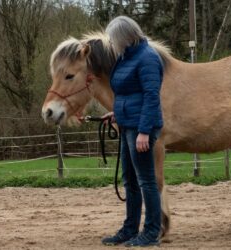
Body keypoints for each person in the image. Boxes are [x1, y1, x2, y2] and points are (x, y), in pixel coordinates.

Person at [101, 16, 164, 247]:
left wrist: (145, 132)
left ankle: (151, 233)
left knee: (146, 180)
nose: (111, 43)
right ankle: (130, 229)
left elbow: (151, 96)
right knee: (129, 179)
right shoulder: (125, 57)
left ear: (125, 37)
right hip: (128, 124)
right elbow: (126, 93)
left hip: (141, 127)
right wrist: (116, 113)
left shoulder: (147, 59)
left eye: (113, 39)